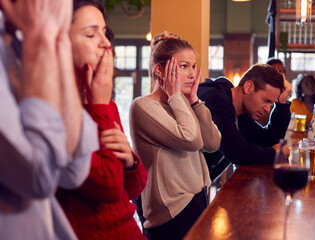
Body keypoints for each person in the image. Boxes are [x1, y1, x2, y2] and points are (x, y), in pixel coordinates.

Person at [0, 0, 98, 239]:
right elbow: (38, 175)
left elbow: (74, 169)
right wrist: (42, 37)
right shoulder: (31, 39)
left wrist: (58, 39)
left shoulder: (18, 39)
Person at [55, 1, 147, 239]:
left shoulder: (105, 105)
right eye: (90, 33)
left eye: (105, 33)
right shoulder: (55, 110)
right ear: (60, 42)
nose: (106, 43)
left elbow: (135, 188)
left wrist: (130, 162)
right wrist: (98, 106)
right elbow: (107, 185)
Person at [129, 31, 221, 240]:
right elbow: (192, 140)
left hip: (197, 200)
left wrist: (195, 101)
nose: (192, 73)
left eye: (193, 66)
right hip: (171, 214)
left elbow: (212, 143)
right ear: (159, 70)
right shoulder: (142, 106)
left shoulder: (181, 104)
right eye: (183, 66)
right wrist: (177, 97)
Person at [197, 63, 292, 177]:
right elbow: (238, 153)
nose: (267, 109)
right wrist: (276, 154)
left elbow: (269, 140)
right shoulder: (215, 100)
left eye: (271, 103)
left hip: (196, 188)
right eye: (265, 100)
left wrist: (282, 103)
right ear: (248, 87)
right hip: (179, 190)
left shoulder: (240, 112)